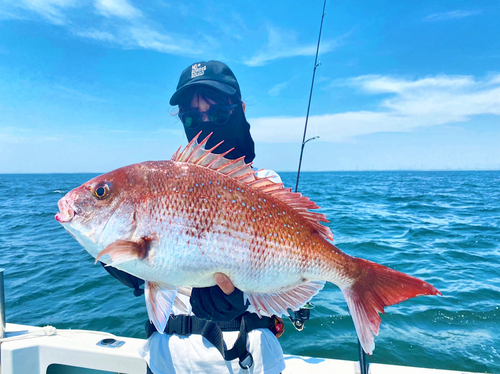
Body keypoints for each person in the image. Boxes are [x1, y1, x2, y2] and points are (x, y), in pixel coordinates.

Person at [104, 61, 286, 374]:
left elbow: (286, 279)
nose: (204, 123)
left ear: (239, 109)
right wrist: (128, 263)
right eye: (191, 117)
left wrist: (243, 300)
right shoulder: (165, 183)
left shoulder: (265, 186)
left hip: (246, 358)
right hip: (166, 361)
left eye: (216, 114)